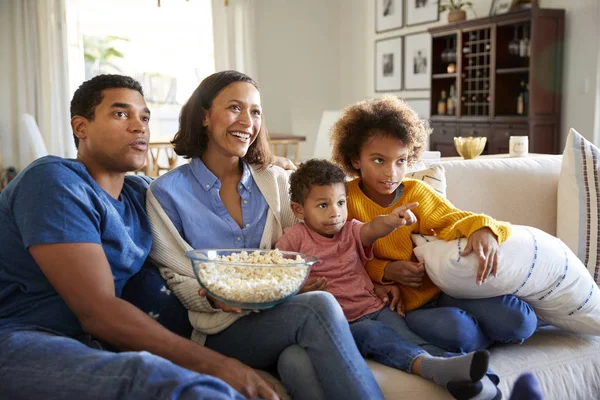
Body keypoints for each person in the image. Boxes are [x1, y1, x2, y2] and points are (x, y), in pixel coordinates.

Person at [0, 74, 281, 400]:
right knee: (167, 382)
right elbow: (98, 311)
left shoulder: (142, 194)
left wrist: (270, 171)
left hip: (94, 345)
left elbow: (196, 193)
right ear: (81, 127)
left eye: (144, 117)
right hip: (20, 337)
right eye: (121, 114)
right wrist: (218, 365)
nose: (139, 127)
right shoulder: (53, 181)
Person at [147, 70, 385, 400]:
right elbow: (176, 275)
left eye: (255, 111)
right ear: (204, 115)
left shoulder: (275, 182)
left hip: (281, 315)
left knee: (296, 362)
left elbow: (320, 239)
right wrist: (214, 295)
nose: (247, 121)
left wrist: (379, 276)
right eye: (234, 107)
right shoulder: (166, 193)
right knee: (319, 306)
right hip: (219, 328)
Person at [275, 159, 501, 400]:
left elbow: (372, 228)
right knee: (375, 335)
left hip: (377, 308)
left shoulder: (350, 229)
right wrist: (298, 288)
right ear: (299, 210)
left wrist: (392, 221)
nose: (335, 212)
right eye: (323, 205)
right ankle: (436, 370)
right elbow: (277, 278)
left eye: (341, 203)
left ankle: (477, 378)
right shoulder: (294, 240)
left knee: (411, 340)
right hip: (344, 323)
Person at [329, 95, 538, 354]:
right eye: (379, 160)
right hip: (405, 307)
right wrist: (386, 271)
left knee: (522, 322)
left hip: (444, 289)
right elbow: (338, 259)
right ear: (355, 159)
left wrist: (483, 228)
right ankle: (478, 338)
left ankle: (485, 331)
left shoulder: (416, 192)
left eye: (401, 161)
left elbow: (454, 220)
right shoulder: (343, 200)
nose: (391, 173)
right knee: (461, 333)